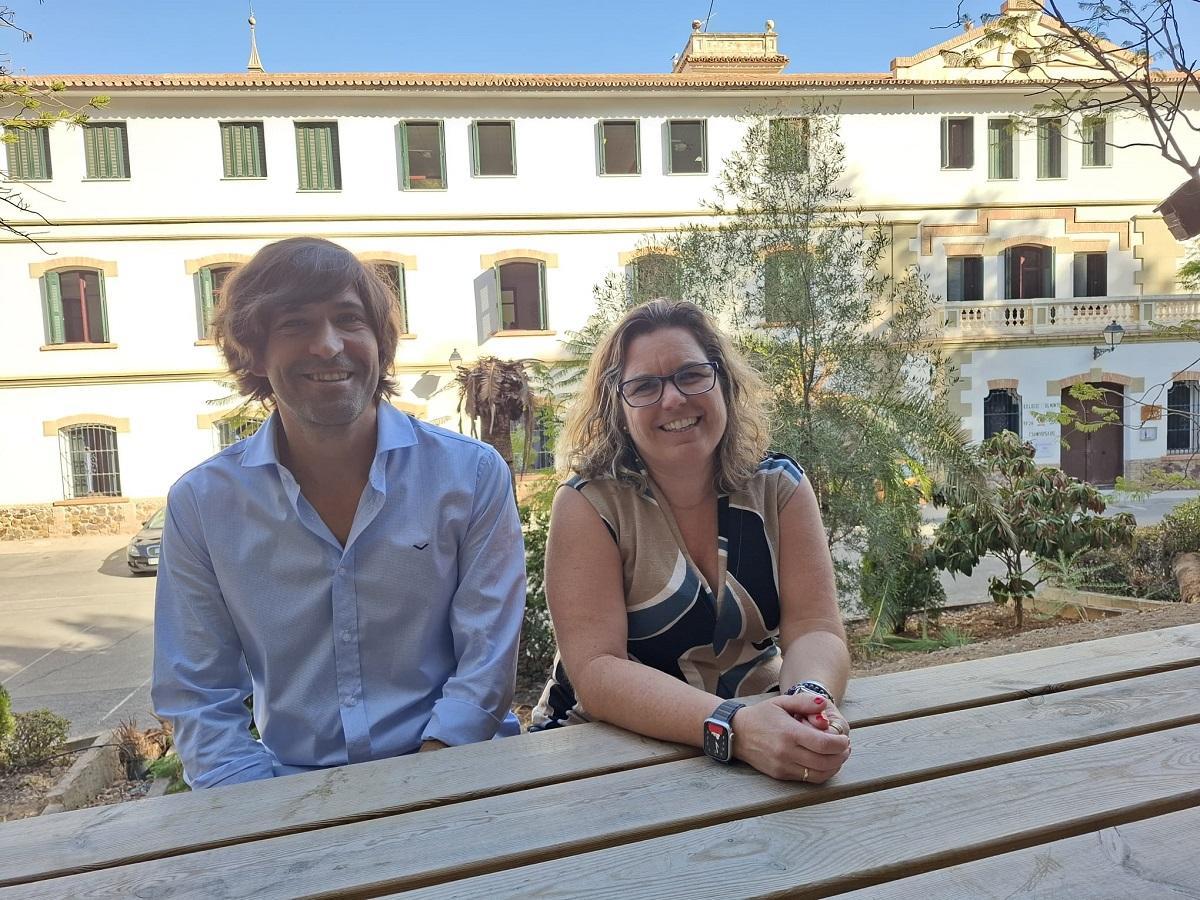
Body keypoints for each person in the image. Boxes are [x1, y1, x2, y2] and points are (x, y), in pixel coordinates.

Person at [152, 237, 525, 789]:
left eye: (348, 319)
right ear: (252, 352)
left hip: (460, 771)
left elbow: (487, 663)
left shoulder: (470, 476)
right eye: (295, 324)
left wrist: (424, 784)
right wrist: (263, 811)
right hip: (286, 787)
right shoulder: (203, 506)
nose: (328, 346)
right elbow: (199, 695)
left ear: (380, 341)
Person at [531, 299, 850, 783]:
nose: (673, 399)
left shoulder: (778, 487)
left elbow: (815, 628)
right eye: (644, 386)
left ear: (723, 380)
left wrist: (810, 699)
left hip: (762, 730)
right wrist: (734, 728)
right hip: (600, 752)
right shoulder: (589, 504)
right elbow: (597, 671)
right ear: (617, 408)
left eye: (691, 374)